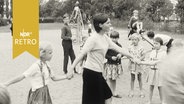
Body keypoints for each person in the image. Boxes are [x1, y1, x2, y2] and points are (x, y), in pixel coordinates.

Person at [68, 13, 136, 104]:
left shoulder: (105, 37)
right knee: (97, 99)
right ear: (100, 25)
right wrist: (71, 68)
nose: (110, 24)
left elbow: (118, 48)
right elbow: (81, 54)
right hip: (91, 73)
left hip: (98, 72)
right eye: (108, 23)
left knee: (107, 96)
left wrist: (132, 57)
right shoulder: (92, 39)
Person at [2, 42, 70, 104]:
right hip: (37, 94)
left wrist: (66, 77)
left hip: (45, 92)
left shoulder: (47, 64)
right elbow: (22, 76)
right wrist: (6, 83)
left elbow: (54, 78)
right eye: (50, 53)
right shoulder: (35, 66)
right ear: (43, 54)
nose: (52, 55)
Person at [138, 37, 167, 104]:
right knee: (151, 86)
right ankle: (149, 101)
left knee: (160, 87)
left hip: (159, 72)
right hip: (152, 71)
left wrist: (156, 61)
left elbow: (163, 62)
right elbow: (149, 60)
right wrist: (142, 61)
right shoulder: (152, 52)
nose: (155, 45)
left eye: (157, 43)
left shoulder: (164, 53)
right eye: (154, 43)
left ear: (161, 44)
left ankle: (162, 101)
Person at [103, 31, 123, 98]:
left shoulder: (119, 45)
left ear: (118, 38)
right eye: (112, 38)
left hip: (116, 65)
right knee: (109, 79)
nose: (114, 39)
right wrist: (111, 57)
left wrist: (121, 55)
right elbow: (105, 55)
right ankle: (109, 92)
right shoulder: (108, 46)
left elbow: (123, 52)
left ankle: (113, 92)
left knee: (114, 79)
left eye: (115, 38)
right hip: (110, 65)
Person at [128, 33, 145, 98]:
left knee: (139, 78)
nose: (134, 41)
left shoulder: (141, 47)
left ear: (138, 40)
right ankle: (132, 91)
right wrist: (131, 59)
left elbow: (143, 56)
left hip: (139, 65)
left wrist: (139, 60)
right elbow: (128, 55)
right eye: (132, 40)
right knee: (132, 78)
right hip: (132, 64)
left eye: (135, 40)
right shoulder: (130, 47)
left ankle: (141, 91)